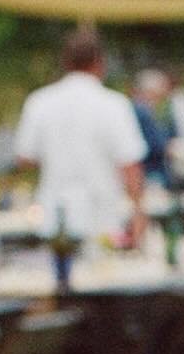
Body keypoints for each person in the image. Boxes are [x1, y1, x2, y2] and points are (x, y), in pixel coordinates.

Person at [13, 27, 147, 244]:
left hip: (54, 218)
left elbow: (24, 157)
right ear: (99, 63)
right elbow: (131, 165)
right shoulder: (114, 104)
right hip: (102, 218)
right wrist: (139, 213)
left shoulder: (40, 102)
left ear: (65, 62)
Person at [131, 69, 173, 187]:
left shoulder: (137, 108)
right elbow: (156, 145)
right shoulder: (142, 111)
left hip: (147, 171)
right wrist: (171, 148)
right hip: (150, 172)